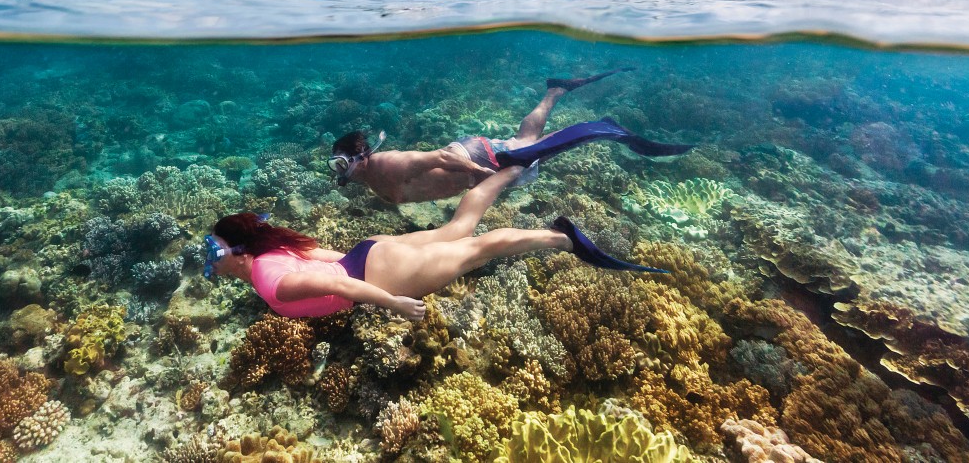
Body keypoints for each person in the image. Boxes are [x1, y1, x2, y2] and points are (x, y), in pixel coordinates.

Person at [203, 164, 668, 322]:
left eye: (214, 251)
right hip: (369, 253)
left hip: (374, 275)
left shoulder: (267, 280)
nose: (211, 261)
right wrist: (381, 246)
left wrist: (395, 304)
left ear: (237, 251)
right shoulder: (272, 252)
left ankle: (563, 239)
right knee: (459, 229)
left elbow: (341, 287)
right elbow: (326, 256)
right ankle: (509, 166)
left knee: (475, 248)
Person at [329, 69, 692, 204]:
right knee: (527, 139)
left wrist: (488, 177)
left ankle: (601, 126)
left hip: (475, 161)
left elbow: (440, 158)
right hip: (473, 165)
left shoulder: (388, 163)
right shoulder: (370, 179)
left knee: (535, 152)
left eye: (342, 162)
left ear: (360, 155)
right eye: (336, 166)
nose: (339, 171)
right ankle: (555, 90)